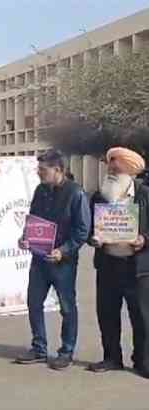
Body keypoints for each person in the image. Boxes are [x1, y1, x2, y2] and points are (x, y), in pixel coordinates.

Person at [16, 150, 90, 370]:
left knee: (67, 307)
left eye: (43, 169)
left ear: (58, 170)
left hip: (63, 262)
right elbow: (33, 220)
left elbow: (82, 230)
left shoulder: (76, 193)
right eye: (38, 169)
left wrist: (63, 250)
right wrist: (25, 238)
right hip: (39, 259)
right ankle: (39, 348)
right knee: (33, 302)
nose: (39, 173)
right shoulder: (40, 191)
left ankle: (66, 351)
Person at [87, 147, 147, 374]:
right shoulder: (99, 196)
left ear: (130, 170)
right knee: (107, 315)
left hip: (137, 268)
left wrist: (144, 239)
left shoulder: (144, 195)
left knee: (141, 317)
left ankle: (143, 360)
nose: (110, 169)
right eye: (109, 164)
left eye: (116, 165)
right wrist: (93, 239)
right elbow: (88, 228)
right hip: (108, 265)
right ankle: (112, 358)